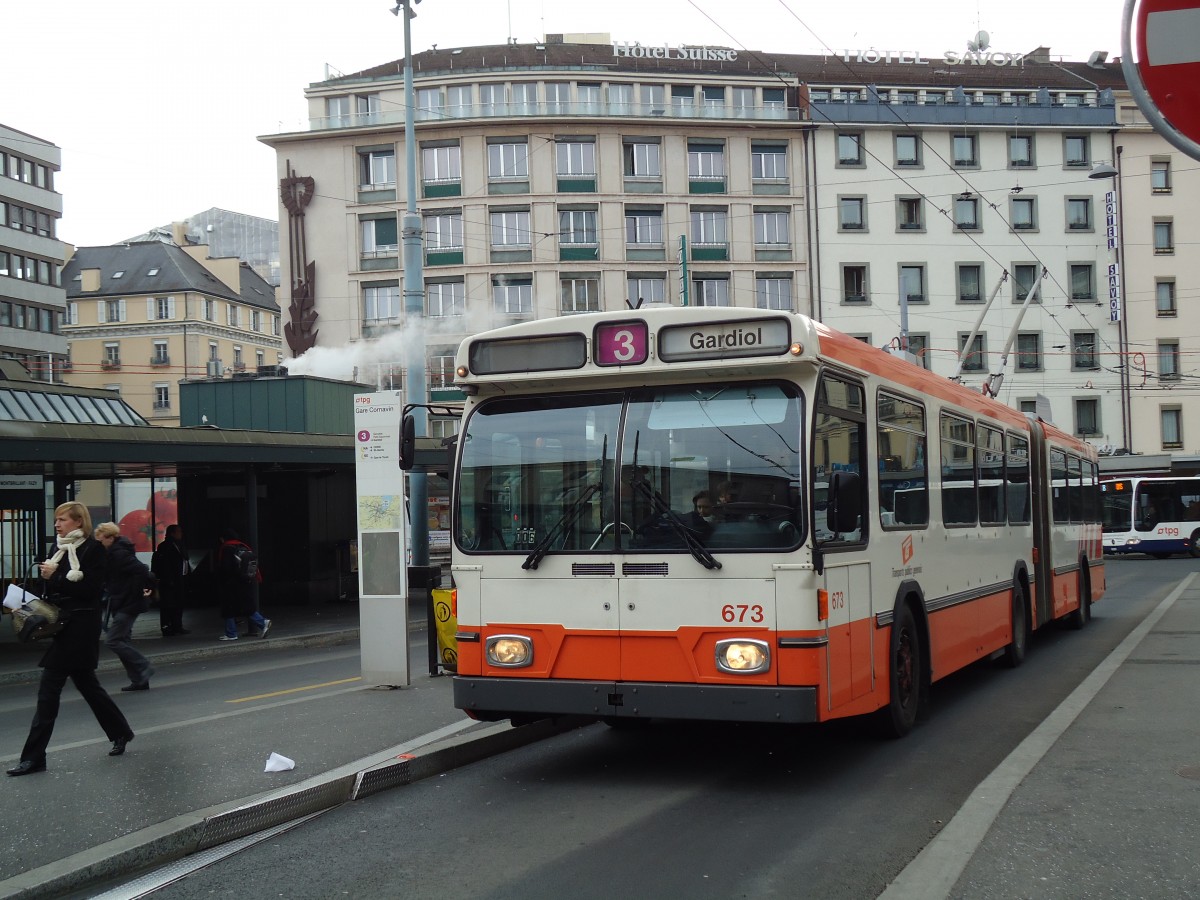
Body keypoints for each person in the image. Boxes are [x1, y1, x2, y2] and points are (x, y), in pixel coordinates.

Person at [7, 502, 135, 776]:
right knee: (89, 687)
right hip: (62, 625)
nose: (57, 524)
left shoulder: (93, 550)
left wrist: (55, 578)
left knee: (48, 690)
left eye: (62, 519)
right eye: (56, 520)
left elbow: (89, 590)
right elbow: (55, 589)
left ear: (78, 522)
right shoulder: (59, 548)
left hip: (82, 627)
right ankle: (120, 732)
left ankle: (34, 757)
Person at [95, 522, 157, 692]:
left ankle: (143, 666)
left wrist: (137, 591)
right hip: (122, 601)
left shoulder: (118, 554)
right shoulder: (113, 553)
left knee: (113, 640)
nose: (99, 544)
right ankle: (139, 679)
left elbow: (143, 570)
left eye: (100, 541)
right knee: (123, 640)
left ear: (110, 538)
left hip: (128, 603)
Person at [216, 528, 271, 641]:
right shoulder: (243, 546)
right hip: (245, 582)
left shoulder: (227, 548)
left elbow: (226, 568)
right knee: (245, 607)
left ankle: (231, 633)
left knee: (228, 608)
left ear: (223, 538)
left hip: (231, 584)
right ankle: (262, 622)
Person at [152, 524, 191, 636]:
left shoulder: (181, 545)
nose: (181, 534)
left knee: (179, 603)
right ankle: (167, 627)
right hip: (169, 580)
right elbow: (164, 565)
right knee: (168, 605)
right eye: (178, 532)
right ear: (172, 533)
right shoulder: (165, 546)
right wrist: (168, 579)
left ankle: (177, 626)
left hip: (180, 579)